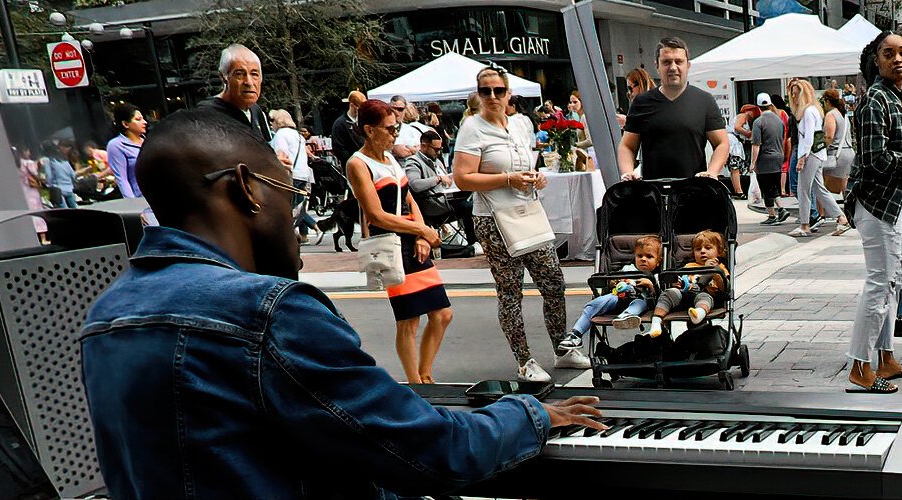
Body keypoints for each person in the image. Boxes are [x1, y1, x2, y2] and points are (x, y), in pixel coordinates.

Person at [81, 109, 605, 498]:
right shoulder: (266, 311)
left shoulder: (105, 313)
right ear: (245, 189)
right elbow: (434, 452)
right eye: (288, 195)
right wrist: (529, 412)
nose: (292, 219)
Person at [454, 66, 583, 381]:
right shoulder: (472, 128)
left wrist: (536, 176)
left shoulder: (522, 124)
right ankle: (525, 361)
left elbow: (529, 162)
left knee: (554, 282)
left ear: (509, 93)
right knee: (510, 291)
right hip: (494, 219)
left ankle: (562, 349)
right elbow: (462, 178)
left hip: (529, 213)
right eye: (486, 91)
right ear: (478, 94)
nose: (493, 97)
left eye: (499, 90)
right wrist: (507, 178)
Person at [846, 31, 902, 395]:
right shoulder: (874, 102)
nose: (898, 59)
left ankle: (885, 359)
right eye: (889, 54)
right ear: (876, 61)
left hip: (898, 201)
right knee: (880, 283)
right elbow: (875, 160)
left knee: (894, 281)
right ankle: (859, 367)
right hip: (877, 201)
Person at [342, 100, 454, 385]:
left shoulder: (390, 159)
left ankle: (424, 374)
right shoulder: (358, 163)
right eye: (390, 128)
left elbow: (408, 198)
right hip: (389, 241)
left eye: (397, 127)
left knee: (442, 313)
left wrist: (421, 233)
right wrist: (420, 229)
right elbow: (375, 215)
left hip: (409, 234)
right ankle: (416, 382)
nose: (395, 134)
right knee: (409, 320)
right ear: (369, 130)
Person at [617, 37, 729, 181]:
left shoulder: (704, 100)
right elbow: (627, 145)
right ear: (657, 65)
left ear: (688, 65)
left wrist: (712, 172)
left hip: (693, 191)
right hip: (653, 192)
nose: (673, 67)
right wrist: (627, 172)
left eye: (679, 61)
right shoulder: (641, 102)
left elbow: (722, 143)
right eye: (666, 62)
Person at [564, 235, 661, 347]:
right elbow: (612, 282)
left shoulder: (656, 276)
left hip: (641, 301)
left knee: (639, 303)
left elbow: (659, 297)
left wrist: (650, 285)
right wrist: (614, 282)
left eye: (649, 257)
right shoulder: (627, 269)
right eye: (640, 256)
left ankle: (625, 317)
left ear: (658, 262)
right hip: (618, 297)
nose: (643, 259)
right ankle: (576, 334)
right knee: (596, 303)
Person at [645, 230, 730, 337]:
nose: (702, 251)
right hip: (683, 297)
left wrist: (713, 271)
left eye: (708, 248)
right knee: (669, 292)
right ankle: (656, 322)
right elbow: (681, 279)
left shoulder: (720, 268)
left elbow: (725, 288)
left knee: (704, 297)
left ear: (719, 252)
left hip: (704, 296)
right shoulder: (689, 266)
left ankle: (698, 313)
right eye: (698, 249)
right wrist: (677, 283)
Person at [788, 79, 845, 237]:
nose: (793, 95)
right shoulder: (812, 110)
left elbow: (809, 137)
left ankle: (805, 224)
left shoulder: (808, 111)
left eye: (796, 92)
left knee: (803, 189)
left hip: (811, 154)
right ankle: (840, 217)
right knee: (818, 188)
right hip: (816, 154)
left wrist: (802, 158)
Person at [196, 44, 271, 143]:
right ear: (223, 77)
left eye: (254, 74)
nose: (249, 82)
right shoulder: (207, 115)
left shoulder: (256, 111)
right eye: (239, 74)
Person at [269, 109, 318, 242]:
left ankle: (304, 231)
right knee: (300, 205)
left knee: (290, 207)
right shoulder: (298, 136)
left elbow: (282, 154)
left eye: (272, 120)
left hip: (291, 174)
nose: (271, 124)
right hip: (304, 174)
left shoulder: (280, 135)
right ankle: (304, 234)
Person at [815, 89, 856, 235]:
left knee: (819, 183)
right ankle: (850, 213)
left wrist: (818, 148)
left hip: (836, 154)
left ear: (826, 101)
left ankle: (822, 215)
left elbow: (829, 136)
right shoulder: (843, 115)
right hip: (848, 151)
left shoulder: (831, 114)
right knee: (844, 185)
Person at [403, 130, 459, 232]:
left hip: (445, 199)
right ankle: (473, 241)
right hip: (431, 204)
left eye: (440, 149)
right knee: (468, 207)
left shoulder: (437, 161)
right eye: (436, 149)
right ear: (424, 146)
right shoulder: (413, 162)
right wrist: (438, 179)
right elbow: (415, 184)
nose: (438, 152)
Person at [749, 93, 791, 225]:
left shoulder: (758, 122)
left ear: (758, 106)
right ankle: (781, 209)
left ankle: (773, 215)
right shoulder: (779, 120)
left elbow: (756, 144)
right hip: (778, 156)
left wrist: (752, 163)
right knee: (773, 185)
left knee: (766, 187)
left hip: (765, 158)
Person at [106, 103, 146, 199]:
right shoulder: (116, 145)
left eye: (143, 118)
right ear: (125, 124)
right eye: (138, 119)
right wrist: (134, 206)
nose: (144, 122)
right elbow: (122, 179)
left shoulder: (148, 141)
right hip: (141, 199)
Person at [728, 104, 759, 199]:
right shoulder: (743, 116)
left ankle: (737, 190)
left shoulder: (743, 118)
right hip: (733, 141)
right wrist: (749, 133)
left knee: (735, 167)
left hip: (735, 141)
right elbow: (737, 127)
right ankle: (739, 191)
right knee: (735, 166)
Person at [332, 90, 368, 166]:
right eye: (359, 108)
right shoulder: (340, 124)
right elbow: (338, 149)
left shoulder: (366, 120)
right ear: (352, 105)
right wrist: (353, 161)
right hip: (353, 164)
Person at [41, 140, 78, 209]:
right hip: (69, 189)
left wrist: (49, 185)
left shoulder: (48, 160)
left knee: (64, 212)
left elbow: (49, 176)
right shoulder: (64, 159)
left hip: (58, 190)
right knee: (75, 210)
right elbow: (72, 174)